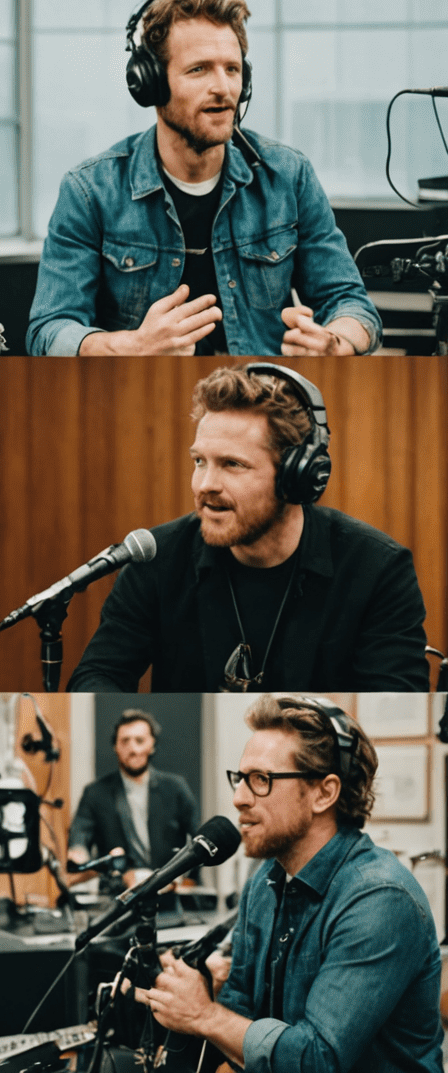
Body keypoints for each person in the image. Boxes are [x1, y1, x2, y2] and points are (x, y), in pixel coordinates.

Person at [27, 0, 380, 357]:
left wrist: (335, 343)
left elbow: (352, 304)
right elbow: (48, 330)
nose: (223, 88)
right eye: (199, 70)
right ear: (150, 83)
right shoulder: (89, 191)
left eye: (232, 69)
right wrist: (129, 347)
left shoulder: (290, 177)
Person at [67, 365, 428, 692]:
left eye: (232, 464)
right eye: (199, 461)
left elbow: (394, 696)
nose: (205, 484)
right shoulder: (156, 558)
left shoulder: (378, 569)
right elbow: (97, 674)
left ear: (297, 476)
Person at [138, 695, 443, 1071]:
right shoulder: (265, 880)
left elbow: (317, 1059)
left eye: (260, 780)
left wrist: (204, 1016)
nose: (238, 798)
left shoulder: (379, 899)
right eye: (240, 779)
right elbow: (239, 1003)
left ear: (324, 792)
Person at [68, 708, 199, 888]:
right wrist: (77, 854)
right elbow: (79, 837)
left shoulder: (176, 788)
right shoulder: (95, 793)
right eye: (125, 741)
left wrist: (182, 878)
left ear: (152, 745)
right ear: (115, 746)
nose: (133, 749)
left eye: (140, 740)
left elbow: (200, 838)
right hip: (116, 895)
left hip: (169, 894)